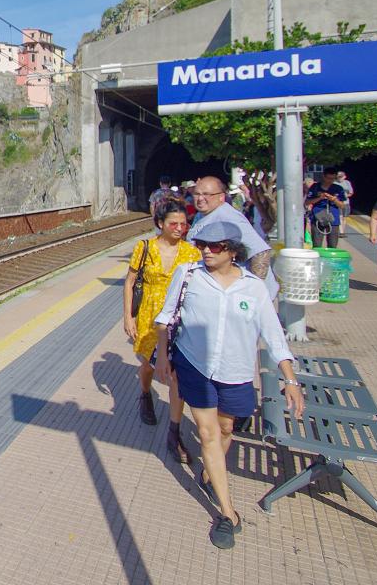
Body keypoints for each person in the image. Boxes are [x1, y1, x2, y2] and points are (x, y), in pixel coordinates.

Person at [153, 220, 305, 550]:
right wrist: (164, 357)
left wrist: (290, 378)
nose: (206, 251)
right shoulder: (188, 275)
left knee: (224, 429)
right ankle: (228, 513)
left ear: (233, 251)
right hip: (196, 366)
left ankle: (211, 473)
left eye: (215, 246)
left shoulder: (254, 288)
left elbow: (273, 335)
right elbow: (165, 317)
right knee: (208, 433)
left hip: (235, 372)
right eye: (202, 245)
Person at [122, 201, 202, 461]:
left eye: (183, 224)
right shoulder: (144, 247)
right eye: (173, 224)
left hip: (178, 319)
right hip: (149, 317)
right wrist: (128, 317)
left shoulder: (192, 252)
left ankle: (174, 432)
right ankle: (145, 394)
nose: (179, 228)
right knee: (148, 365)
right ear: (160, 224)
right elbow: (130, 282)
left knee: (176, 374)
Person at [305, 167, 348, 249]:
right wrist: (320, 198)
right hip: (318, 217)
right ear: (324, 176)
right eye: (328, 178)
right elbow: (307, 202)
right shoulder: (315, 187)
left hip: (333, 219)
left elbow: (342, 205)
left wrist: (334, 199)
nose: (330, 181)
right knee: (317, 244)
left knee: (332, 244)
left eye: (333, 179)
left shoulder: (338, 189)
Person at [336, 171, 354, 236]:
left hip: (346, 202)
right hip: (338, 202)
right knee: (340, 216)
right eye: (338, 177)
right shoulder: (334, 183)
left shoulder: (347, 183)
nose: (339, 178)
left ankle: (343, 231)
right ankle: (341, 232)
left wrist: (346, 196)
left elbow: (351, 192)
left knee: (344, 217)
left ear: (344, 177)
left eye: (341, 177)